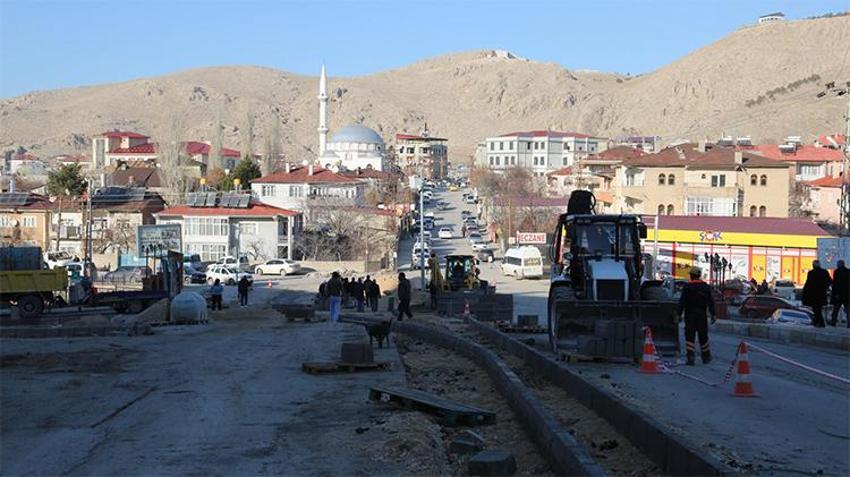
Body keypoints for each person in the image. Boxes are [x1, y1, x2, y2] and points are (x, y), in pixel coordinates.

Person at [677, 267, 716, 366]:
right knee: (703, 336)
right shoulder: (705, 287)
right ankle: (706, 357)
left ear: (691, 275)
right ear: (699, 275)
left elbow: (682, 302)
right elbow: (711, 301)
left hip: (690, 315)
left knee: (690, 336)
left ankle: (690, 358)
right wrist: (713, 314)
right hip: (701, 315)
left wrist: (678, 314)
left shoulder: (687, 287)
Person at [803, 260, 832, 328]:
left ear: (813, 265)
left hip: (813, 295)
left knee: (816, 309)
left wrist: (805, 293)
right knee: (818, 309)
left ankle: (819, 322)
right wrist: (825, 287)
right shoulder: (824, 272)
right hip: (821, 294)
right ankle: (817, 322)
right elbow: (829, 281)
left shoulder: (811, 273)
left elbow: (808, 284)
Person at [831, 260, 849, 327]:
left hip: (838, 295)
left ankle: (833, 322)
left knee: (835, 310)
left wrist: (835, 293)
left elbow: (835, 284)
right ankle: (849, 324)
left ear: (839, 264)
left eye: (837, 264)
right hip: (846, 295)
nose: (837, 265)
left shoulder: (837, 272)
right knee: (848, 311)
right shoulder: (848, 271)